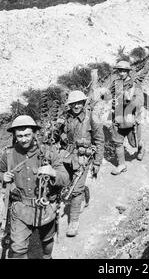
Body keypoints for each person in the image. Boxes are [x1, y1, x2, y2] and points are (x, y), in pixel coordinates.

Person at [0, 115, 70, 259]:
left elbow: (65, 179)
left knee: (47, 240)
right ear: (15, 136)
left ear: (34, 133)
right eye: (20, 135)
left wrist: (52, 172)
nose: (24, 139)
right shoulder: (9, 154)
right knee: (18, 248)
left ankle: (47, 257)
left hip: (45, 208)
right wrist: (2, 177)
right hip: (20, 209)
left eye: (27, 135)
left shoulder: (48, 152)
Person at [53, 90, 104, 237]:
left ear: (84, 103)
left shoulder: (91, 117)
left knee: (75, 189)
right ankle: (83, 193)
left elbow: (99, 140)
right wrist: (55, 128)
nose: (76, 106)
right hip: (65, 155)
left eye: (79, 103)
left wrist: (97, 162)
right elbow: (54, 138)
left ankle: (73, 222)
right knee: (64, 183)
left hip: (83, 157)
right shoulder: (65, 118)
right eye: (73, 103)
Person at [104, 60, 145, 176]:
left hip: (131, 118)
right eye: (119, 71)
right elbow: (108, 94)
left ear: (128, 72)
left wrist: (129, 100)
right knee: (118, 142)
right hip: (117, 118)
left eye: (124, 71)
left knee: (135, 142)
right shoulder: (116, 83)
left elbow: (140, 101)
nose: (121, 73)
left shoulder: (134, 84)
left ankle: (141, 149)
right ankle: (121, 164)